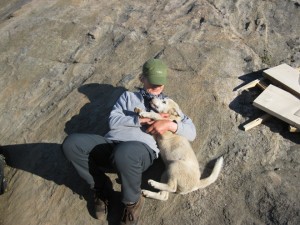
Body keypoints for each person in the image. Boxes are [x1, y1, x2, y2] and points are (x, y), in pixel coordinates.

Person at [62, 58, 196, 225]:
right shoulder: (128, 97)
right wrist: (140, 120)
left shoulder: (168, 105)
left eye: (160, 84)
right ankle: (101, 189)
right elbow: (113, 121)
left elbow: (191, 131)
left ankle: (131, 203)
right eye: (152, 83)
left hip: (139, 151)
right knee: (71, 144)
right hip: (111, 143)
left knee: (125, 152)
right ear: (142, 79)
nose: (156, 87)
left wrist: (170, 124)